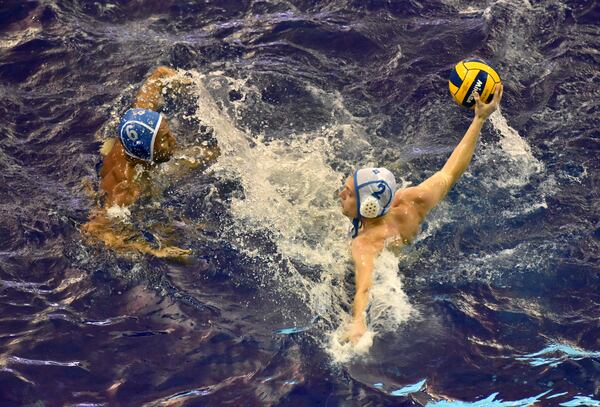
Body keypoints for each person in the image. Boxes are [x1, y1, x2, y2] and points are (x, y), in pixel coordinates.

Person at [339, 85, 504, 344]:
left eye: (348, 193)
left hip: (399, 272)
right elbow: (450, 172)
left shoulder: (365, 243)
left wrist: (358, 322)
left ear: (367, 207)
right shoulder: (409, 202)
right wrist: (479, 119)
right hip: (409, 251)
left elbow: (364, 287)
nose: (341, 194)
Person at [82, 66, 218, 258]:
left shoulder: (136, 125)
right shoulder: (127, 188)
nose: (173, 140)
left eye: (167, 131)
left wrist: (182, 81)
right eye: (165, 139)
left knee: (208, 153)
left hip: (131, 160)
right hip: (116, 191)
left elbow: (158, 75)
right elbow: (92, 232)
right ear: (146, 152)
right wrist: (154, 251)